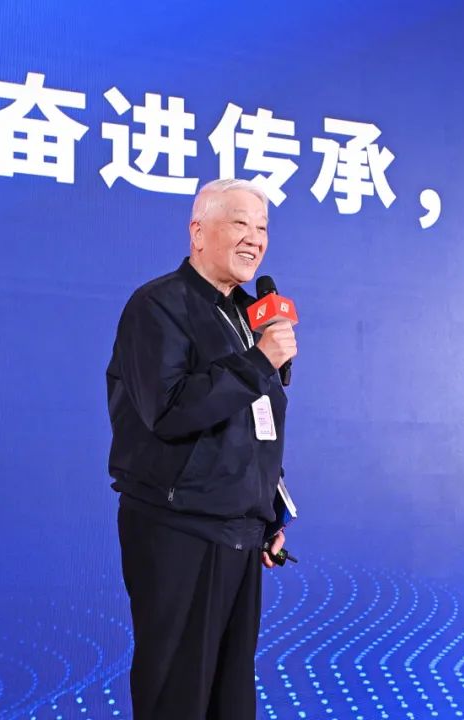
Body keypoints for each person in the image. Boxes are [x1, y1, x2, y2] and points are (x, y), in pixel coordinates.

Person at [105, 178, 296, 719]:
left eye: (262, 228)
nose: (254, 239)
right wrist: (258, 362)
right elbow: (168, 410)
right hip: (179, 529)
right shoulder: (158, 306)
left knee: (229, 701)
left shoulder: (245, 315)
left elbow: (250, 426)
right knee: (178, 697)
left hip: (239, 533)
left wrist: (268, 510)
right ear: (198, 232)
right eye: (240, 224)